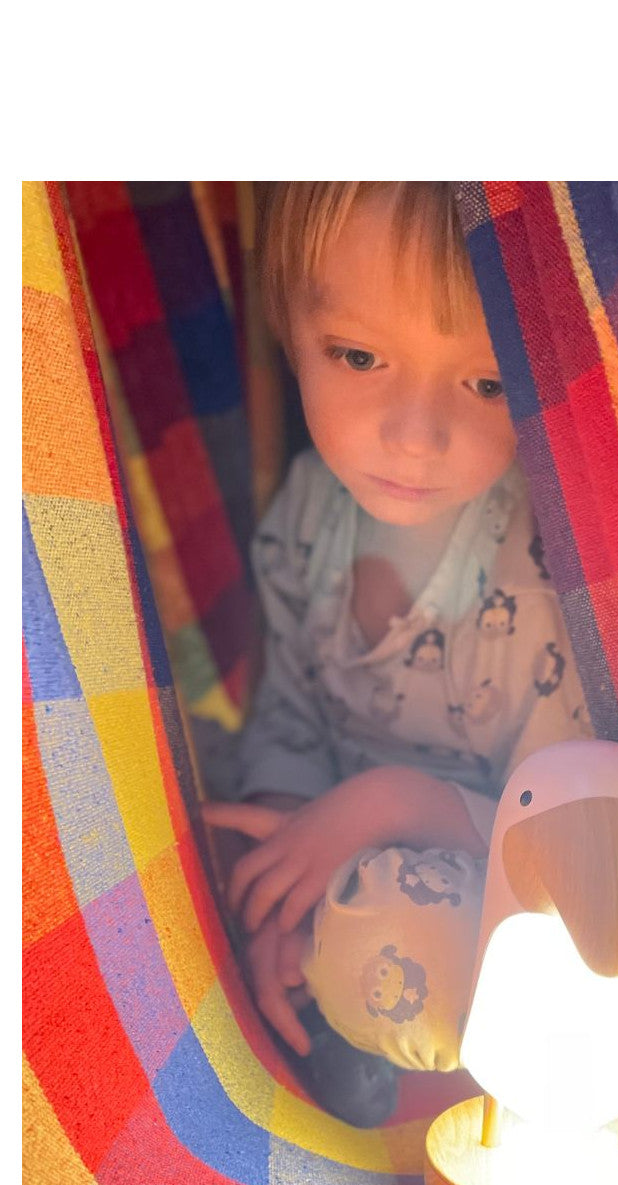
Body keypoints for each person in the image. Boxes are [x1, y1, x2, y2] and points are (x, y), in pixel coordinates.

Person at [203, 182, 591, 1126]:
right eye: (359, 356)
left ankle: (364, 1039)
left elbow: (571, 841)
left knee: (420, 948)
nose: (414, 437)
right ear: (290, 332)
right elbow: (289, 714)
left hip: (472, 888)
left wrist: (391, 806)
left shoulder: (547, 563)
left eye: (488, 383)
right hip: (329, 854)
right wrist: (287, 874)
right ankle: (301, 995)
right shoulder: (309, 508)